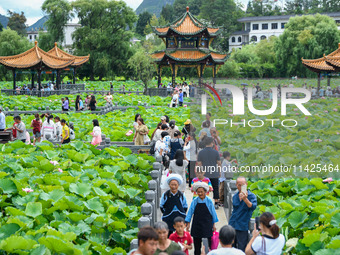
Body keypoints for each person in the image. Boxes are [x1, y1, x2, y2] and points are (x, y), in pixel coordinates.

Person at [185, 182, 218, 255]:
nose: (200, 194)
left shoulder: (209, 201)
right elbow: (190, 212)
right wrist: (188, 224)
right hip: (197, 226)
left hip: (207, 226)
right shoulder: (195, 201)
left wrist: (214, 225)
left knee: (207, 246)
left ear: (205, 192)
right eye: (198, 192)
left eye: (201, 192)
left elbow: (213, 213)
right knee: (197, 247)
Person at [229, 177, 257, 252]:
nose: (241, 187)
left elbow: (252, 206)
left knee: (242, 248)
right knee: (231, 247)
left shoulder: (251, 196)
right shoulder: (235, 196)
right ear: (236, 185)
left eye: (243, 185)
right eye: (239, 185)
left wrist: (245, 199)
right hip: (232, 224)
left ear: (246, 184)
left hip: (242, 226)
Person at [196, 137, 222, 209]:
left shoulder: (201, 152)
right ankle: (216, 202)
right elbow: (219, 163)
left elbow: (199, 164)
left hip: (205, 173)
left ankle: (203, 201)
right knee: (215, 188)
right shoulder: (216, 152)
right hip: (214, 172)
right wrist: (219, 172)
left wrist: (199, 173)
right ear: (212, 143)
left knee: (203, 187)